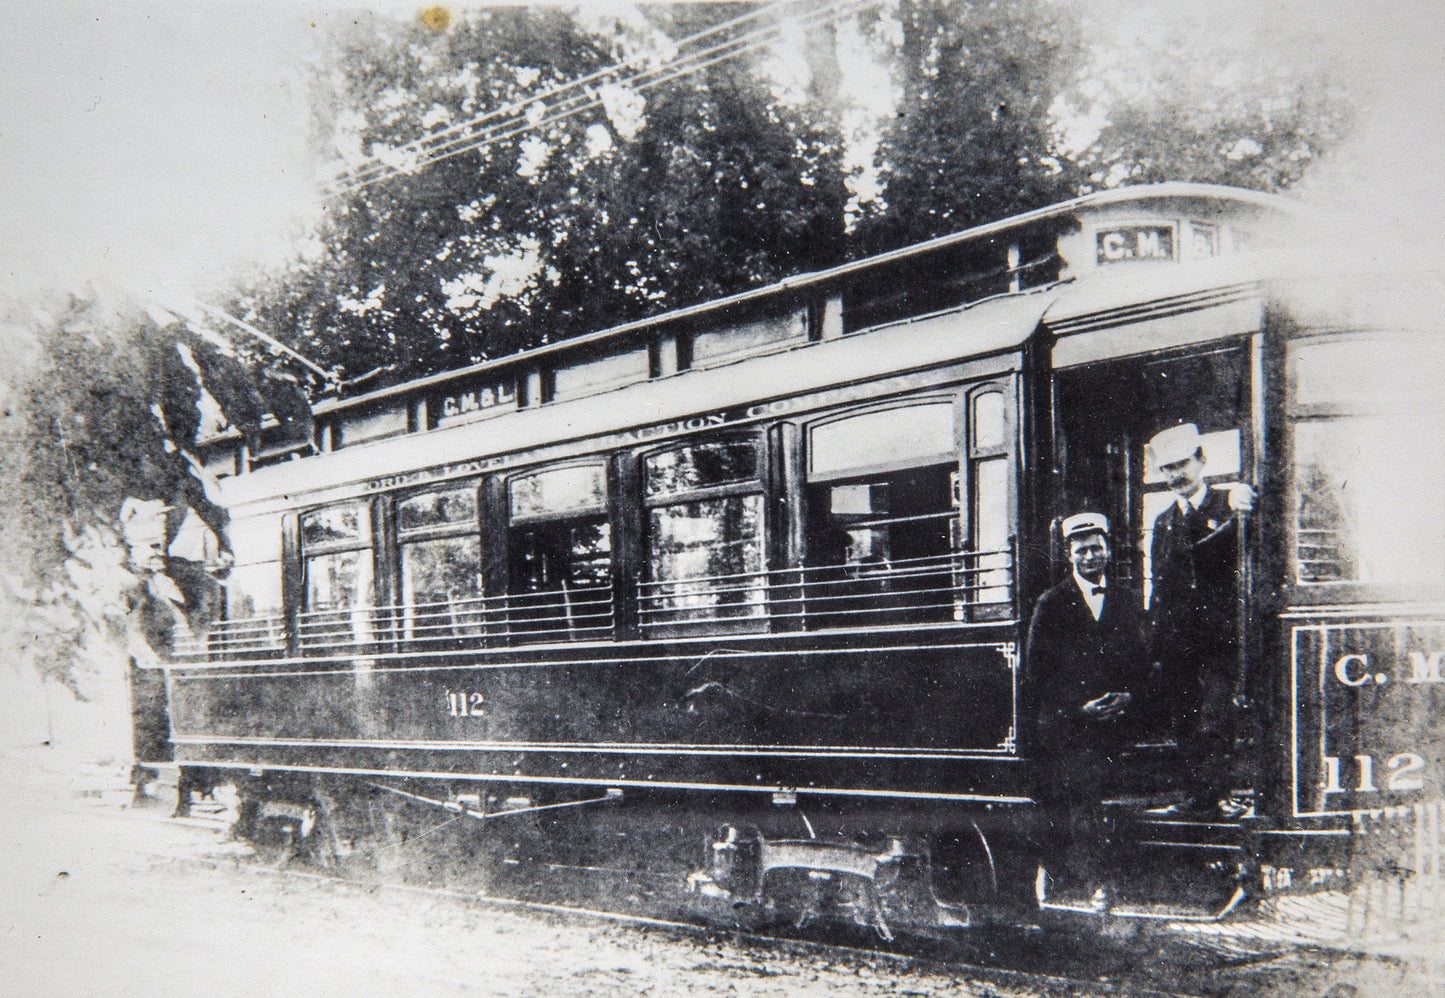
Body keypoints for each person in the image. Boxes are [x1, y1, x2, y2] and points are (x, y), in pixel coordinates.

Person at [1027, 512, 1150, 905]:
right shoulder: (1052, 603)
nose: (1090, 556)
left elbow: (1141, 659)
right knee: (1084, 786)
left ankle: (1113, 875)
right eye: (1082, 551)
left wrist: (1129, 696)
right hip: (1069, 724)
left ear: (1107, 550)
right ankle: (1093, 881)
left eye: (1097, 548)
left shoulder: (1125, 599)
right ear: (1070, 556)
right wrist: (1080, 707)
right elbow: (1038, 671)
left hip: (1116, 719)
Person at [1145, 423, 1254, 818]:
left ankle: (1222, 795)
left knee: (1216, 718)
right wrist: (1156, 644)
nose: (1176, 475)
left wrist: (1243, 503)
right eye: (1168, 468)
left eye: (1182, 464)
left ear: (1202, 460)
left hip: (1221, 640)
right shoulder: (1163, 522)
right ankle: (1198, 798)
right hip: (1179, 643)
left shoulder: (1230, 503)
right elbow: (1159, 586)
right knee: (1186, 722)